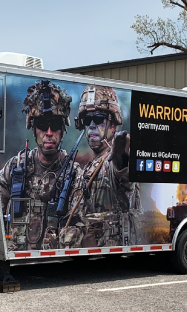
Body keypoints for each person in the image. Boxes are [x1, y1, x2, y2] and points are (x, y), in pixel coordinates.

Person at [0, 80, 80, 251]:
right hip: (16, 260)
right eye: (42, 125)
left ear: (62, 129)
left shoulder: (73, 174)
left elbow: (79, 226)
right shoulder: (15, 167)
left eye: (55, 125)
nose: (49, 133)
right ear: (34, 129)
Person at [57, 85, 142, 248]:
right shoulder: (86, 168)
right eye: (87, 121)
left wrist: (121, 158)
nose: (92, 126)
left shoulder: (112, 162)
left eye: (98, 119)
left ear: (113, 124)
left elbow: (123, 174)